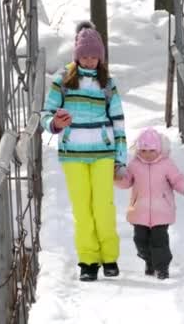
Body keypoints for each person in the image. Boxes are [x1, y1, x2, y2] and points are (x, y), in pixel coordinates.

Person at [40, 21, 127, 282]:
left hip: (103, 153)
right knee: (82, 209)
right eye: (85, 56)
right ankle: (88, 260)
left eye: (94, 56)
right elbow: (46, 114)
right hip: (73, 155)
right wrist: (55, 123)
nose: (89, 61)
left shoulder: (107, 83)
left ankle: (109, 257)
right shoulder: (62, 82)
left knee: (103, 206)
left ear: (100, 58)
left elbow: (119, 122)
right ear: (77, 56)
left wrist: (120, 159)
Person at [114, 127, 184, 279]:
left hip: (161, 211)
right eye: (144, 151)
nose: (147, 154)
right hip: (140, 211)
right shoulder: (134, 164)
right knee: (140, 241)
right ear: (138, 150)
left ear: (159, 149)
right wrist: (117, 178)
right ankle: (149, 261)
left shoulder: (166, 164)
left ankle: (162, 267)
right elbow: (127, 182)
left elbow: (177, 179)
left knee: (160, 242)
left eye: (152, 150)